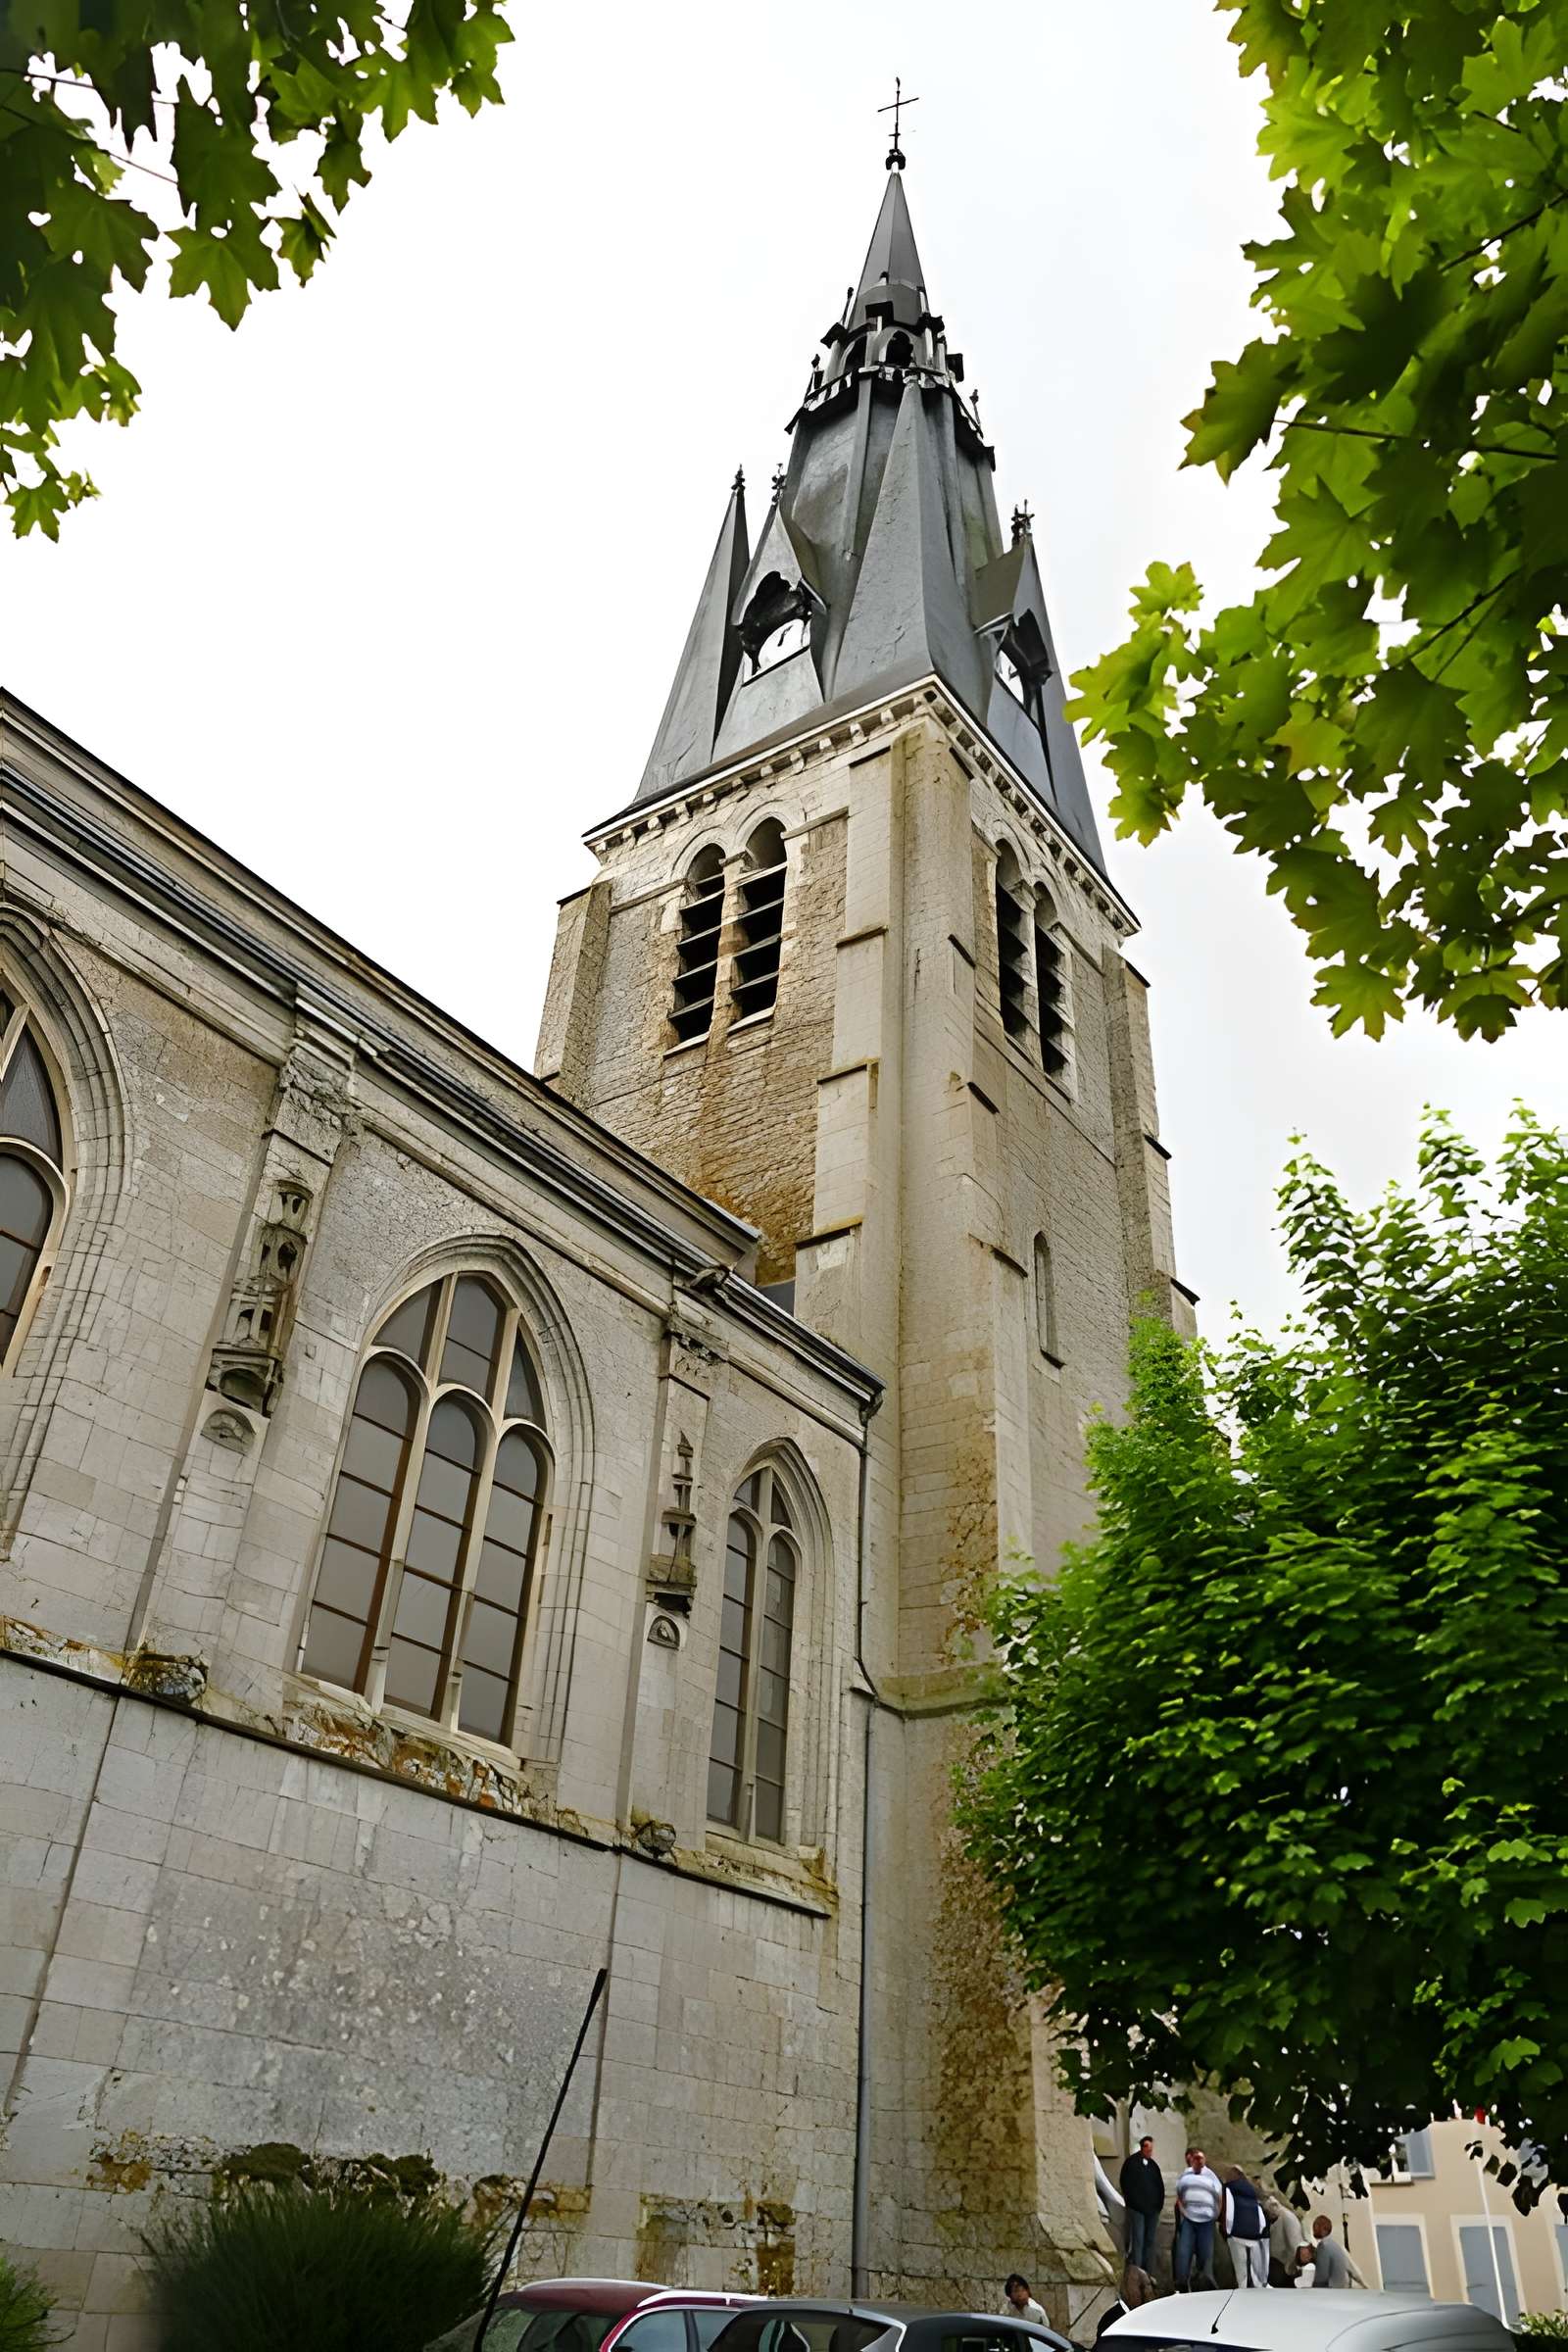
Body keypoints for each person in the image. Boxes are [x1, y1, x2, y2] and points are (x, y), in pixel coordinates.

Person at [1173, 2146, 1223, 2290]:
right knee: (1184, 2250)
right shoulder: (1185, 2175)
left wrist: (1216, 2214)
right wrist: (1183, 2210)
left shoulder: (1210, 2175)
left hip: (1207, 2221)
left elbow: (1219, 2195)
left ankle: (1204, 2281)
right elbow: (1179, 2194)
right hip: (1189, 2219)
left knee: (1205, 2253)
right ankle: (1181, 2283)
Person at [1118, 2136, 1164, 2277]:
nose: (1150, 2152)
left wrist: (1159, 2205)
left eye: (1151, 2149)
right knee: (1138, 2239)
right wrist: (1133, 2203)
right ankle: (1137, 2271)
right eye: (1147, 2149)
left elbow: (1159, 2186)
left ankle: (1148, 2272)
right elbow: (1126, 2184)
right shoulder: (1131, 2163)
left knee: (1150, 2240)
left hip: (1152, 2210)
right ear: (1142, 2147)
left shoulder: (1153, 2166)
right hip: (1137, 2209)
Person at [1221, 2166, 1270, 2288]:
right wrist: (1259, 2230)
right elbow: (1260, 2216)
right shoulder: (1252, 2191)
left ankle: (1243, 2291)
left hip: (1236, 2234)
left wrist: (1227, 2230)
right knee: (1254, 2270)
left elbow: (1228, 2211)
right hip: (1254, 2234)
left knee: (1241, 2269)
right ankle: (1256, 2290)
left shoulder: (1228, 2189)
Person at [1299, 2215, 1366, 2288]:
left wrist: (1365, 2285)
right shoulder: (1310, 2245)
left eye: (1318, 2225)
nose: (1315, 2227)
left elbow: (1354, 2270)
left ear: (1325, 2229)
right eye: (1315, 2224)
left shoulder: (1333, 2246)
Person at [1096, 2265, 1155, 2341]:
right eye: (1143, 2286)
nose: (1149, 2292)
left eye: (1150, 2285)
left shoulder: (1147, 2316)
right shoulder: (1112, 2320)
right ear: (1126, 2289)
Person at [1262, 2194, 1307, 2288]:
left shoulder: (1289, 2218)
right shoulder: (1278, 2216)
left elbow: (1296, 2245)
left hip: (1285, 2266)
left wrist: (1299, 2271)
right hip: (1278, 2262)